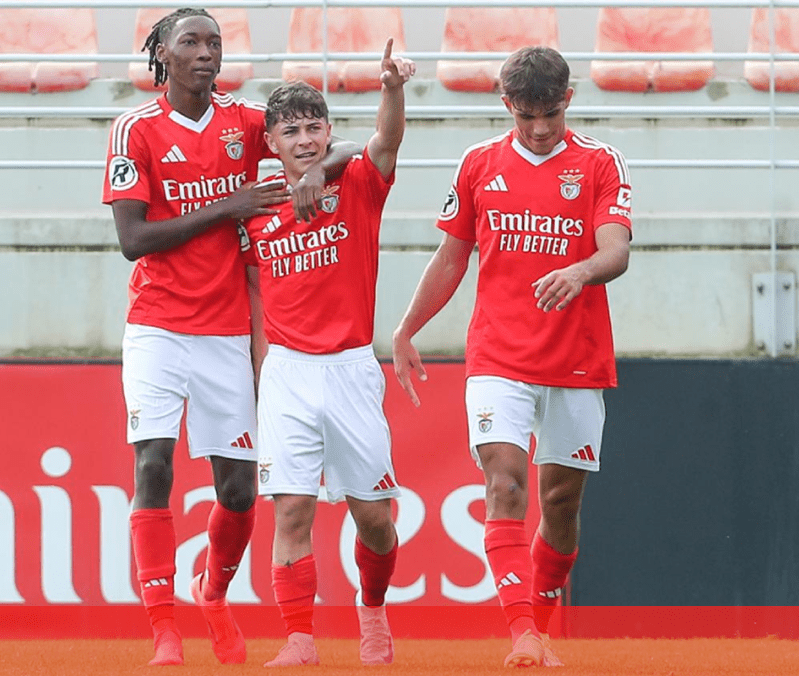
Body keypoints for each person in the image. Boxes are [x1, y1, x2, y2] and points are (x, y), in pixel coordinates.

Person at [101, 8, 357, 667]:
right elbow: (132, 240)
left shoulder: (245, 123)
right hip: (157, 324)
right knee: (152, 464)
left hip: (225, 332)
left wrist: (307, 177)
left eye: (215, 41)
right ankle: (164, 629)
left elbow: (333, 149)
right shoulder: (136, 129)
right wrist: (227, 206)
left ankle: (211, 596)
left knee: (240, 492)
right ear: (161, 52)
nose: (206, 52)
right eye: (191, 41)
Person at [391, 46, 632, 668]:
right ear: (507, 107)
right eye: (527, 115)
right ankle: (522, 632)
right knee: (504, 483)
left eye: (550, 113)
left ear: (569, 100)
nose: (540, 127)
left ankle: (540, 630)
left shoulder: (601, 163)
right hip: (498, 355)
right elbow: (452, 258)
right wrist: (407, 328)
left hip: (576, 360)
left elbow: (617, 252)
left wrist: (580, 270)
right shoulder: (479, 164)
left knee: (560, 504)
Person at [238, 40, 415, 668]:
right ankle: (298, 638)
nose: (306, 140)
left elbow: (385, 143)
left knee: (374, 518)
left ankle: (372, 610)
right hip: (286, 371)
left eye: (316, 128)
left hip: (349, 367)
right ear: (272, 143)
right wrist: (259, 379)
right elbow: (253, 298)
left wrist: (391, 89)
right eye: (291, 131)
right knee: (292, 507)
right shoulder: (255, 209)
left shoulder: (358, 182)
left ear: (330, 131)